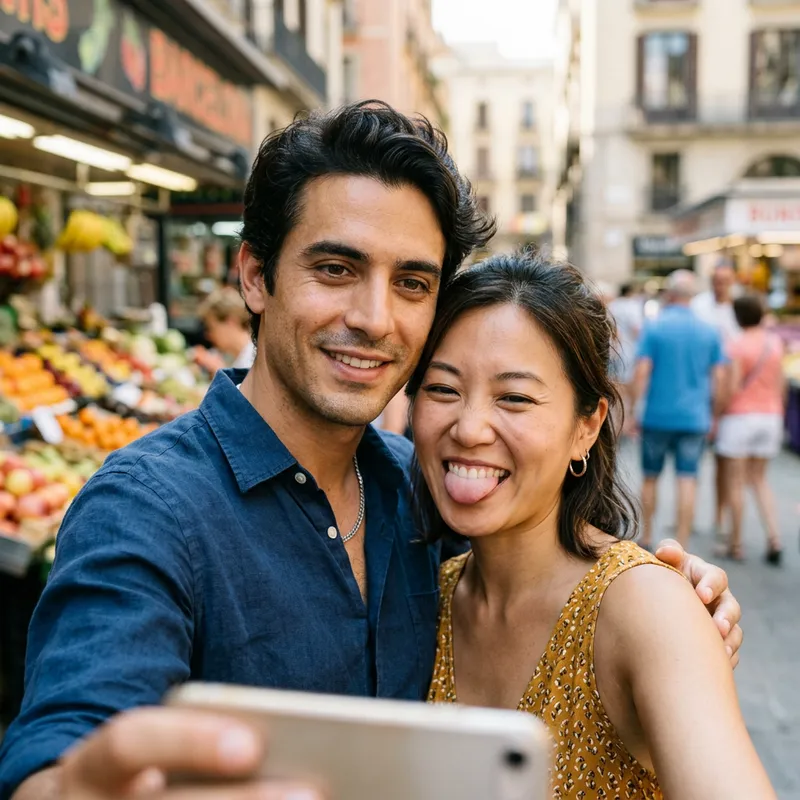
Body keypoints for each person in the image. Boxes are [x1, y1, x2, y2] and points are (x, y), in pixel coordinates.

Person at [0, 104, 743, 800]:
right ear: (255, 277)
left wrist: (667, 600)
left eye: (412, 283)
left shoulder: (417, 487)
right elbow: (64, 752)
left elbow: (545, 563)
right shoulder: (147, 509)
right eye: (336, 269)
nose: (375, 318)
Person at [411, 253, 774, 800]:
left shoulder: (646, 606)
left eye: (514, 398)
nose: (469, 428)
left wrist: (677, 617)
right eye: (443, 389)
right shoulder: (432, 592)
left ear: (587, 426)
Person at [632, 269, 727, 548]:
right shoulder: (708, 331)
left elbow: (642, 371)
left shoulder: (655, 327)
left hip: (657, 416)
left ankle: (647, 536)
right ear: (692, 296)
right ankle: (680, 543)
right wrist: (715, 414)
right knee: (688, 478)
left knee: (650, 477)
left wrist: (634, 409)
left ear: (670, 294)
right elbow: (720, 377)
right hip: (695, 417)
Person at [716, 294, 785, 564]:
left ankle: (735, 543)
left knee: (735, 481)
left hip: (740, 418)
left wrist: (717, 413)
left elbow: (731, 387)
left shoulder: (736, 345)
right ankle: (774, 537)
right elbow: (780, 385)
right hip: (771, 416)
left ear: (738, 317)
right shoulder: (775, 343)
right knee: (759, 479)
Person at [691, 262, 741, 544]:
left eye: (724, 280)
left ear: (732, 281)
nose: (719, 284)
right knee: (693, 459)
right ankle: (692, 513)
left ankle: (719, 516)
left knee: (724, 462)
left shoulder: (738, 309)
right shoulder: (699, 306)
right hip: (701, 393)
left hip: (730, 397)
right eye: (716, 279)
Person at [194, 286, 257, 374]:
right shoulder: (243, 357)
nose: (208, 335)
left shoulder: (253, 360)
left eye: (211, 328)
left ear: (230, 322)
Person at [608, 282, 643, 433]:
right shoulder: (632, 306)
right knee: (629, 384)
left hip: (613, 351)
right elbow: (637, 329)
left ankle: (618, 421)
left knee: (617, 385)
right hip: (629, 351)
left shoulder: (613, 306)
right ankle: (628, 419)